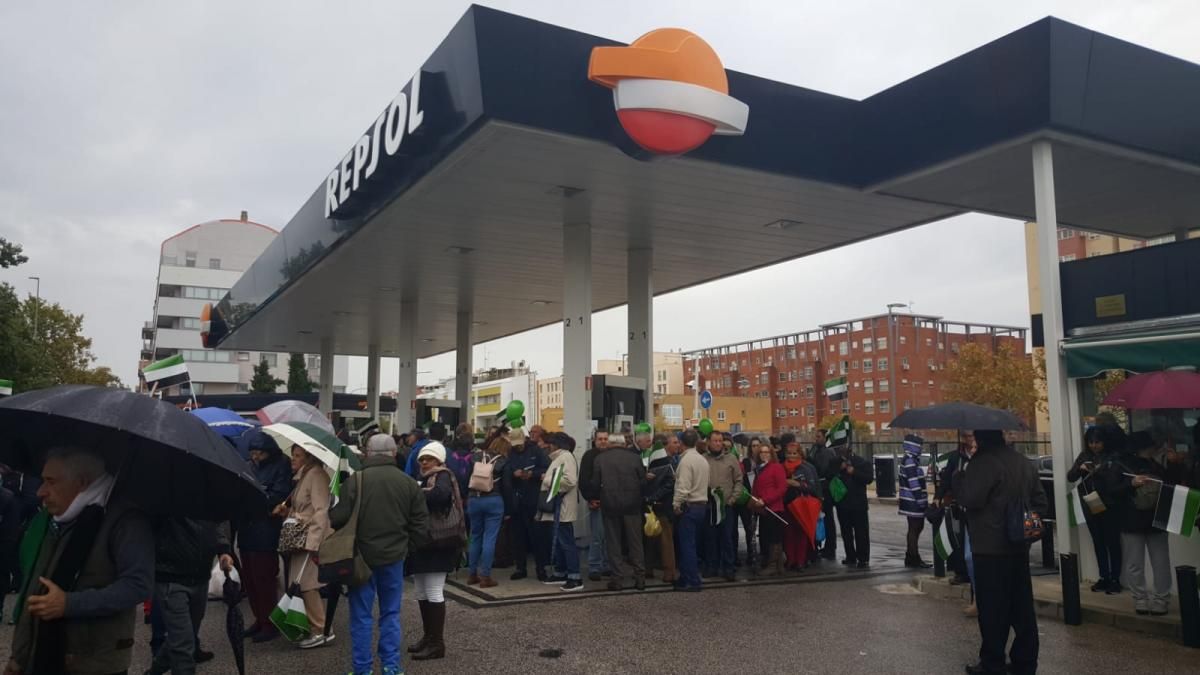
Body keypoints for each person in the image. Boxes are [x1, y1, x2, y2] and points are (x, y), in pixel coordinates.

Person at [7, 446, 154, 675]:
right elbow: (34, 591)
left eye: (51, 481)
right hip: (43, 657)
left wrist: (69, 604)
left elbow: (138, 585)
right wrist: (19, 656)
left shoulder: (125, 520)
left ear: (82, 482)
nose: (40, 492)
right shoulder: (53, 519)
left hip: (95, 664)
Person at [329, 433, 428, 675]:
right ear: (394, 453)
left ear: (368, 453)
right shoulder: (407, 482)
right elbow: (421, 526)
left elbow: (337, 518)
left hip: (360, 558)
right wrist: (406, 547)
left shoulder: (355, 481)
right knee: (391, 614)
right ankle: (391, 667)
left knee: (361, 616)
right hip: (394, 558)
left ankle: (362, 669)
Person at [954, 430, 1047, 675]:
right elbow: (1040, 501)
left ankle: (992, 663)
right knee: (1022, 608)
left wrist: (958, 480)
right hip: (1018, 545)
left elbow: (970, 499)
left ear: (982, 439)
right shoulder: (1023, 463)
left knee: (993, 610)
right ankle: (1025, 662)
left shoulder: (982, 463)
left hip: (989, 546)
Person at [1097, 429, 1171, 616]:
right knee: (1154, 562)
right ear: (1146, 447)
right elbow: (1111, 491)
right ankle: (1157, 600)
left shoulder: (1156, 465)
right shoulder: (1125, 465)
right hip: (1144, 520)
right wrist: (1131, 484)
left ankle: (1143, 599)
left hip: (1139, 520)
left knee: (1142, 563)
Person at [147, 517, 231, 675]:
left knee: (183, 635)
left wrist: (223, 551)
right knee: (183, 644)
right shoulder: (165, 494)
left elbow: (216, 522)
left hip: (200, 576)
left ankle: (155, 670)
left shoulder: (206, 496)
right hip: (171, 575)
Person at [404, 440, 461, 661]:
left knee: (434, 590)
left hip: (439, 542)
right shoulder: (426, 479)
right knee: (421, 591)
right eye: (422, 459)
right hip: (424, 542)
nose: (425, 462)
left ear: (439, 459)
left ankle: (437, 643)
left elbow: (440, 496)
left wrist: (416, 492)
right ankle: (428, 637)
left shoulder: (443, 475)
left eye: (429, 459)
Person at [273, 444, 333, 649]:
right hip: (301, 538)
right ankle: (313, 626)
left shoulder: (315, 475)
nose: (293, 459)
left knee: (307, 584)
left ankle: (321, 629)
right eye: (293, 455)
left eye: (298, 456)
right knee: (299, 583)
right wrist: (287, 512)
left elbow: (320, 510)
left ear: (309, 458)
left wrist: (314, 542)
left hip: (308, 539)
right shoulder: (304, 476)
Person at [236, 430, 293, 643]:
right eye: (253, 453)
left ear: (268, 452)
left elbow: (279, 494)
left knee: (264, 579)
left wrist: (259, 498)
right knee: (250, 579)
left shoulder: (281, 466)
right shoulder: (249, 466)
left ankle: (270, 623)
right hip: (248, 528)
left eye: (259, 453)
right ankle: (260, 619)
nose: (255, 457)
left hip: (266, 531)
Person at [592, 427, 649, 591]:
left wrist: (598, 497)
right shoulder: (635, 458)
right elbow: (643, 482)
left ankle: (617, 579)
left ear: (610, 443)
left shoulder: (600, 459)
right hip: (632, 505)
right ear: (624, 444)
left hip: (610, 505)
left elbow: (595, 483)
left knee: (614, 543)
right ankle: (640, 578)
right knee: (635, 543)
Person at [1067, 426, 1122, 593]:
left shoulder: (1112, 456)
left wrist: (1099, 471)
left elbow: (1115, 480)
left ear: (1104, 442)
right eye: (1091, 442)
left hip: (1109, 503)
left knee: (1112, 542)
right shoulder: (1085, 456)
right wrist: (1080, 468)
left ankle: (1115, 578)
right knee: (1098, 541)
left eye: (1097, 442)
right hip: (1091, 502)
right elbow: (1070, 477)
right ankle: (1103, 576)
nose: (1094, 446)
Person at [466, 435, 512, 588]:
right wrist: (509, 508)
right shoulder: (503, 462)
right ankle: (485, 576)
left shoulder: (475, 457)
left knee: (475, 536)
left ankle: (472, 574)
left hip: (474, 499)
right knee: (490, 538)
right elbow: (507, 486)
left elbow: (467, 478)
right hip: (494, 500)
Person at [504, 426, 549, 581]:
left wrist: (533, 474)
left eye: (520, 443)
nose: (518, 446)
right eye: (515, 444)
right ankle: (520, 567)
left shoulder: (536, 451)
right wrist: (513, 473)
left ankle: (540, 568)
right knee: (518, 537)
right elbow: (506, 471)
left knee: (537, 536)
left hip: (532, 498)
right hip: (517, 501)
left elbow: (546, 467)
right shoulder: (511, 453)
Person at [539, 433, 583, 592]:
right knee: (559, 542)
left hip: (562, 508)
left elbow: (570, 481)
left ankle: (574, 576)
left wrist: (546, 479)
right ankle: (561, 572)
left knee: (566, 542)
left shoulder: (565, 457)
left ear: (556, 444)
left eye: (549, 443)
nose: (546, 446)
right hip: (559, 507)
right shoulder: (562, 457)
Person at [672, 429, 710, 592]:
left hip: (689, 506)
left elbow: (684, 487)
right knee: (692, 543)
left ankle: (691, 580)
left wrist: (676, 504)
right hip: (701, 504)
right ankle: (687, 577)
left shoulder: (686, 461)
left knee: (687, 545)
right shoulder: (702, 460)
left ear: (681, 443)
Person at [703, 431, 743, 581]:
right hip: (709, 506)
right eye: (715, 441)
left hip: (726, 505)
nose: (718, 443)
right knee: (710, 538)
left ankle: (728, 567)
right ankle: (711, 566)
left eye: (720, 441)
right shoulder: (703, 460)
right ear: (709, 442)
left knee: (727, 538)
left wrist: (733, 498)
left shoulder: (731, 459)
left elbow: (739, 481)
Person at [937, 431, 976, 584]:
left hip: (977, 505)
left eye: (972, 436)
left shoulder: (983, 456)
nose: (969, 439)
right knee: (959, 540)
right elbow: (946, 478)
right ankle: (961, 572)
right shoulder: (956, 457)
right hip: (960, 505)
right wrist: (938, 496)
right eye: (966, 436)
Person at [781, 436, 820, 572]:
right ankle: (791, 559)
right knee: (788, 534)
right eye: (789, 453)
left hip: (802, 505)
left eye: (794, 453)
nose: (791, 456)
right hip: (787, 504)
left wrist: (797, 484)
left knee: (802, 534)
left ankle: (800, 561)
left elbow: (813, 487)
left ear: (800, 454)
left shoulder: (806, 468)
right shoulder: (781, 467)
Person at [833, 443, 874, 568]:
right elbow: (828, 474)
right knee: (846, 532)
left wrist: (854, 472)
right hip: (843, 503)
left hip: (858, 503)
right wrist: (839, 469)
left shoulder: (862, 462)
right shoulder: (836, 463)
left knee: (861, 532)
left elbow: (868, 478)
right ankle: (850, 556)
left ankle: (863, 558)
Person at [750, 438, 787, 576]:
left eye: (767, 452)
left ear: (771, 454)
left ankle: (773, 564)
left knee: (774, 538)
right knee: (767, 536)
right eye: (761, 452)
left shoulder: (776, 467)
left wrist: (765, 500)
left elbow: (782, 488)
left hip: (774, 508)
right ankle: (777, 565)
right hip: (763, 509)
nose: (764, 455)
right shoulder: (759, 469)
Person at [579, 430, 612, 581]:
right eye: (600, 439)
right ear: (594, 440)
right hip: (597, 502)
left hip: (612, 502)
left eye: (605, 439)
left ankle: (607, 565)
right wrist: (590, 498)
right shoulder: (589, 456)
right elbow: (584, 480)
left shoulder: (612, 455)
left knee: (610, 536)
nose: (603, 441)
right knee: (597, 536)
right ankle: (594, 566)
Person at [645, 433, 677, 584]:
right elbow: (670, 484)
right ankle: (669, 572)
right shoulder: (668, 462)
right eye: (673, 442)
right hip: (664, 504)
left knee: (650, 536)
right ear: (665, 445)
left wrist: (650, 498)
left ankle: (649, 569)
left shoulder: (651, 459)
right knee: (666, 539)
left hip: (652, 505)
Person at [898, 434, 932, 569]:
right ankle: (913, 558)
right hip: (913, 501)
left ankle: (911, 556)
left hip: (909, 500)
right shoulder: (911, 461)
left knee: (915, 528)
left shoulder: (909, 460)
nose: (921, 449)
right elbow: (913, 483)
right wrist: (921, 500)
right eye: (920, 446)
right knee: (915, 528)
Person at [808, 428, 839, 560]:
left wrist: (812, 462)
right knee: (823, 518)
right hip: (820, 487)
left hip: (825, 488)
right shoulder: (817, 450)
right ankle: (825, 545)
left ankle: (830, 547)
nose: (816, 439)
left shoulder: (826, 452)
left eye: (819, 437)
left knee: (827, 518)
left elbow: (822, 469)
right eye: (816, 437)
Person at [735, 438, 760, 571]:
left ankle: (762, 554)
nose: (756, 448)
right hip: (748, 500)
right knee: (749, 528)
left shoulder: (764, 462)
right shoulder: (745, 463)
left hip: (762, 500)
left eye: (758, 445)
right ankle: (751, 554)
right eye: (753, 446)